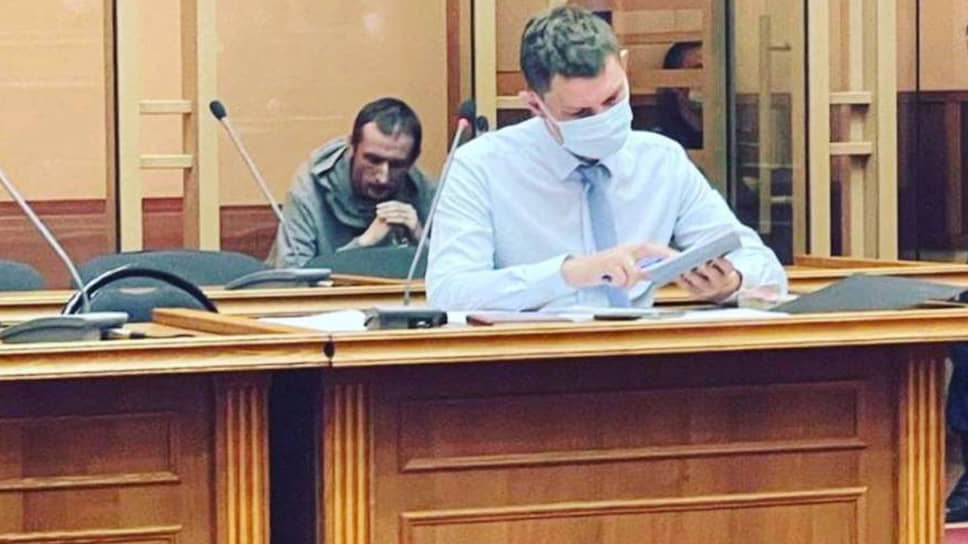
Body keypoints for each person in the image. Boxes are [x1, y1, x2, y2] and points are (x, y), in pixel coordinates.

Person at [427, 6, 786, 311]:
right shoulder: (479, 167)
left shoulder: (662, 161)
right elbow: (450, 291)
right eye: (580, 113)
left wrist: (731, 282)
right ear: (535, 105)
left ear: (624, 68)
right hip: (530, 358)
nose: (601, 117)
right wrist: (571, 273)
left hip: (642, 355)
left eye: (613, 99)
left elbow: (764, 266)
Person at [273, 98, 434, 268]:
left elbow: (448, 273)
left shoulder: (422, 188)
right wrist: (362, 245)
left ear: (412, 160)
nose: (383, 177)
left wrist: (420, 239)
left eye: (397, 165)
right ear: (351, 146)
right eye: (373, 160)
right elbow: (291, 276)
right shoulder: (308, 188)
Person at [646, 41, 703, 150]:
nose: (707, 79)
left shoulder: (727, 136)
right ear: (673, 84)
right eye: (697, 71)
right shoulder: (660, 142)